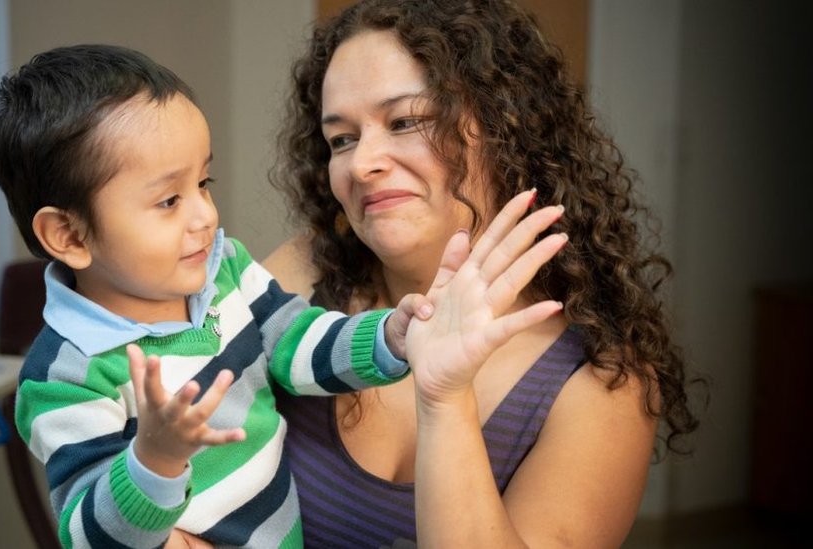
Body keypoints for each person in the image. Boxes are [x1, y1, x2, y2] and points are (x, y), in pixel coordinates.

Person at [0, 44, 565, 549]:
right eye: (168, 202)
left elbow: (298, 342)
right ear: (70, 235)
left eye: (203, 184)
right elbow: (89, 535)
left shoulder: (224, 271)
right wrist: (154, 460)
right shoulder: (64, 376)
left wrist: (394, 335)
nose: (205, 216)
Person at [260, 0, 701, 547]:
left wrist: (444, 403)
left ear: (502, 128)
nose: (361, 163)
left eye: (405, 122)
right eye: (342, 139)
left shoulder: (601, 381)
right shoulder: (301, 273)